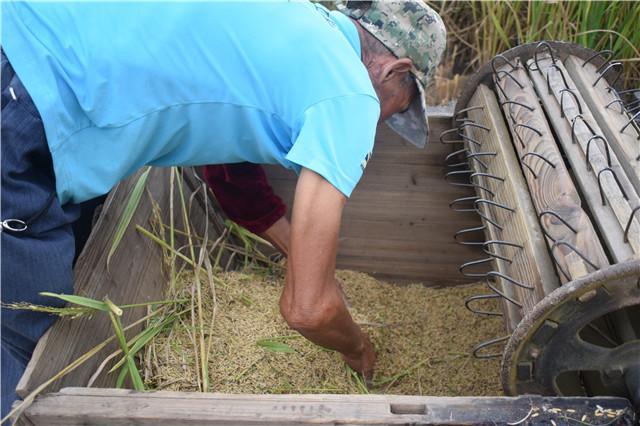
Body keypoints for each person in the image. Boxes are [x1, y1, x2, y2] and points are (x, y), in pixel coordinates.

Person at [0, 0, 445, 415]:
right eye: (396, 108)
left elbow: (230, 172)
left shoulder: (295, 21)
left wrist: (301, 253)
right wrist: (356, 346)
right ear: (394, 69)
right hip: (31, 103)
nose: (381, 122)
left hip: (22, 36)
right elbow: (308, 309)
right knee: (23, 340)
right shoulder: (352, 97)